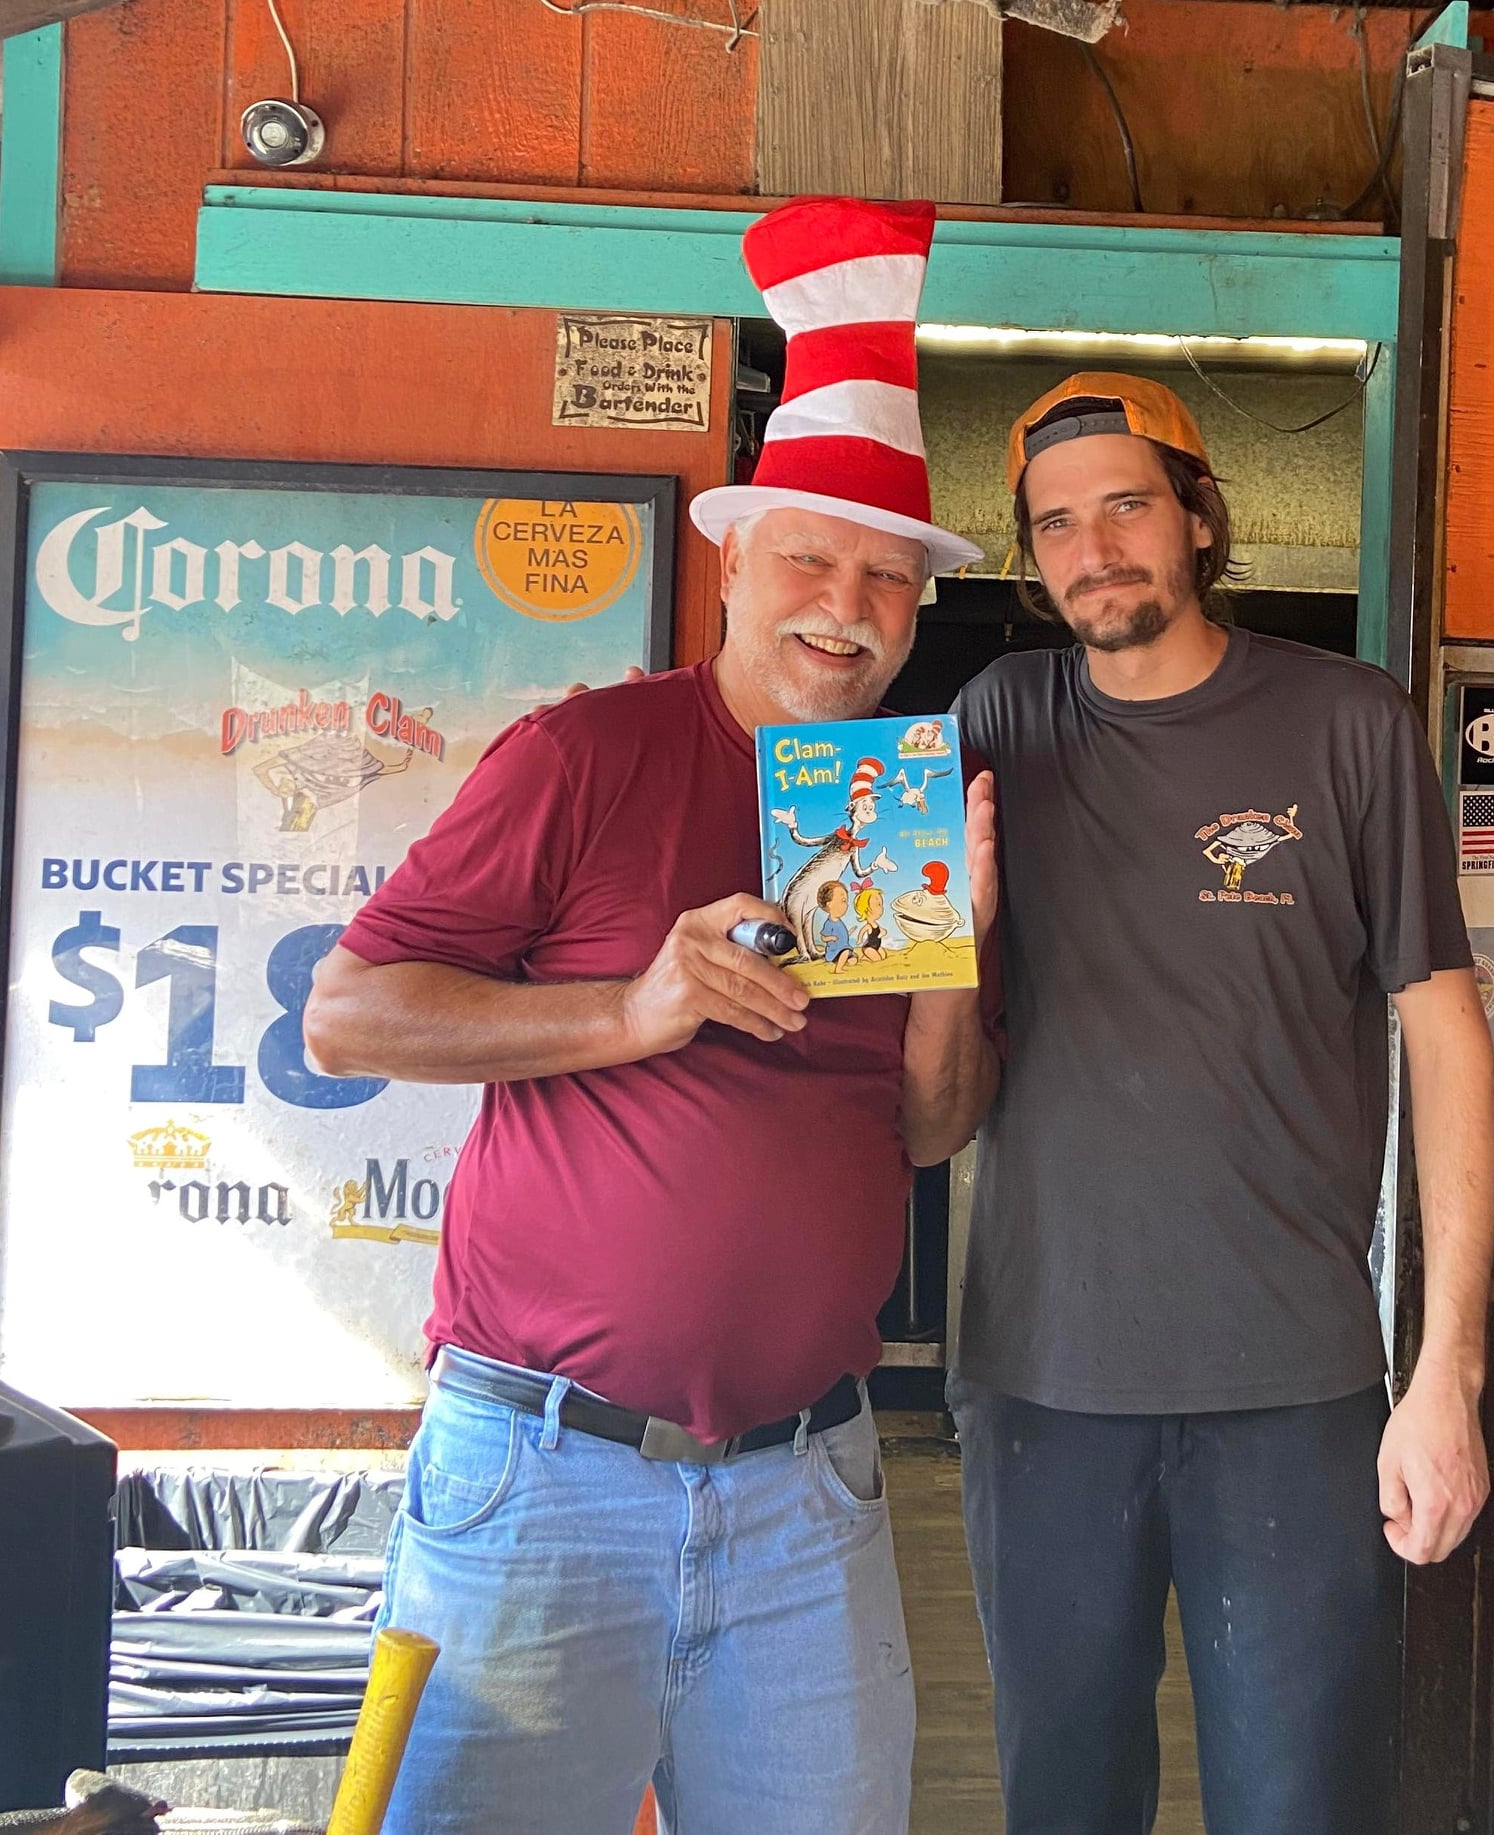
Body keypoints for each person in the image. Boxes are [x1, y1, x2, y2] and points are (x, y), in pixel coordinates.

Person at [301, 195, 994, 1835]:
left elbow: (930, 1130)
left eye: (888, 578)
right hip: (545, 1476)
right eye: (811, 558)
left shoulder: (898, 801)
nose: (847, 605)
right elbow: (346, 1015)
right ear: (734, 559)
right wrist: (635, 1009)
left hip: (809, 1489)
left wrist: (955, 958)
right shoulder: (589, 755)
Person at [938, 373, 1494, 1835]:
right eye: (1055, 524)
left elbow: (1445, 1040)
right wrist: (954, 931)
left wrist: (1445, 1375)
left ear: (1198, 517)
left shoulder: (1347, 723)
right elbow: (930, 1049)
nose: (1093, 550)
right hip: (1043, 1381)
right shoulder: (999, 719)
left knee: (1302, 1804)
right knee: (1065, 1802)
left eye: (1127, 506)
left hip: (1293, 1383)